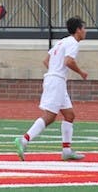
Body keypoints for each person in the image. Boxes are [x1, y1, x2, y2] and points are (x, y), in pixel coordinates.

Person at [14, 16, 89, 162]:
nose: (85, 31)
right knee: (50, 116)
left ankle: (66, 150)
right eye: (84, 28)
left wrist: (54, 72)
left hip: (55, 80)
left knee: (69, 115)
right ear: (78, 30)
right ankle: (24, 139)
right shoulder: (73, 42)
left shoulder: (62, 41)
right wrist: (81, 72)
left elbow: (46, 60)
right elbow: (69, 61)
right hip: (57, 82)